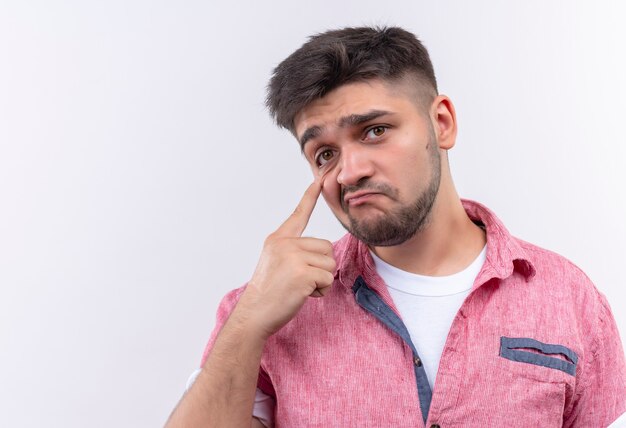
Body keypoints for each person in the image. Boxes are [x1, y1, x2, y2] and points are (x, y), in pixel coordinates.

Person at [165, 26, 626, 427]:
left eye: (373, 131)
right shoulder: (266, 312)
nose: (348, 172)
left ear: (441, 123)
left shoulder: (568, 298)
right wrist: (247, 323)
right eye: (324, 154)